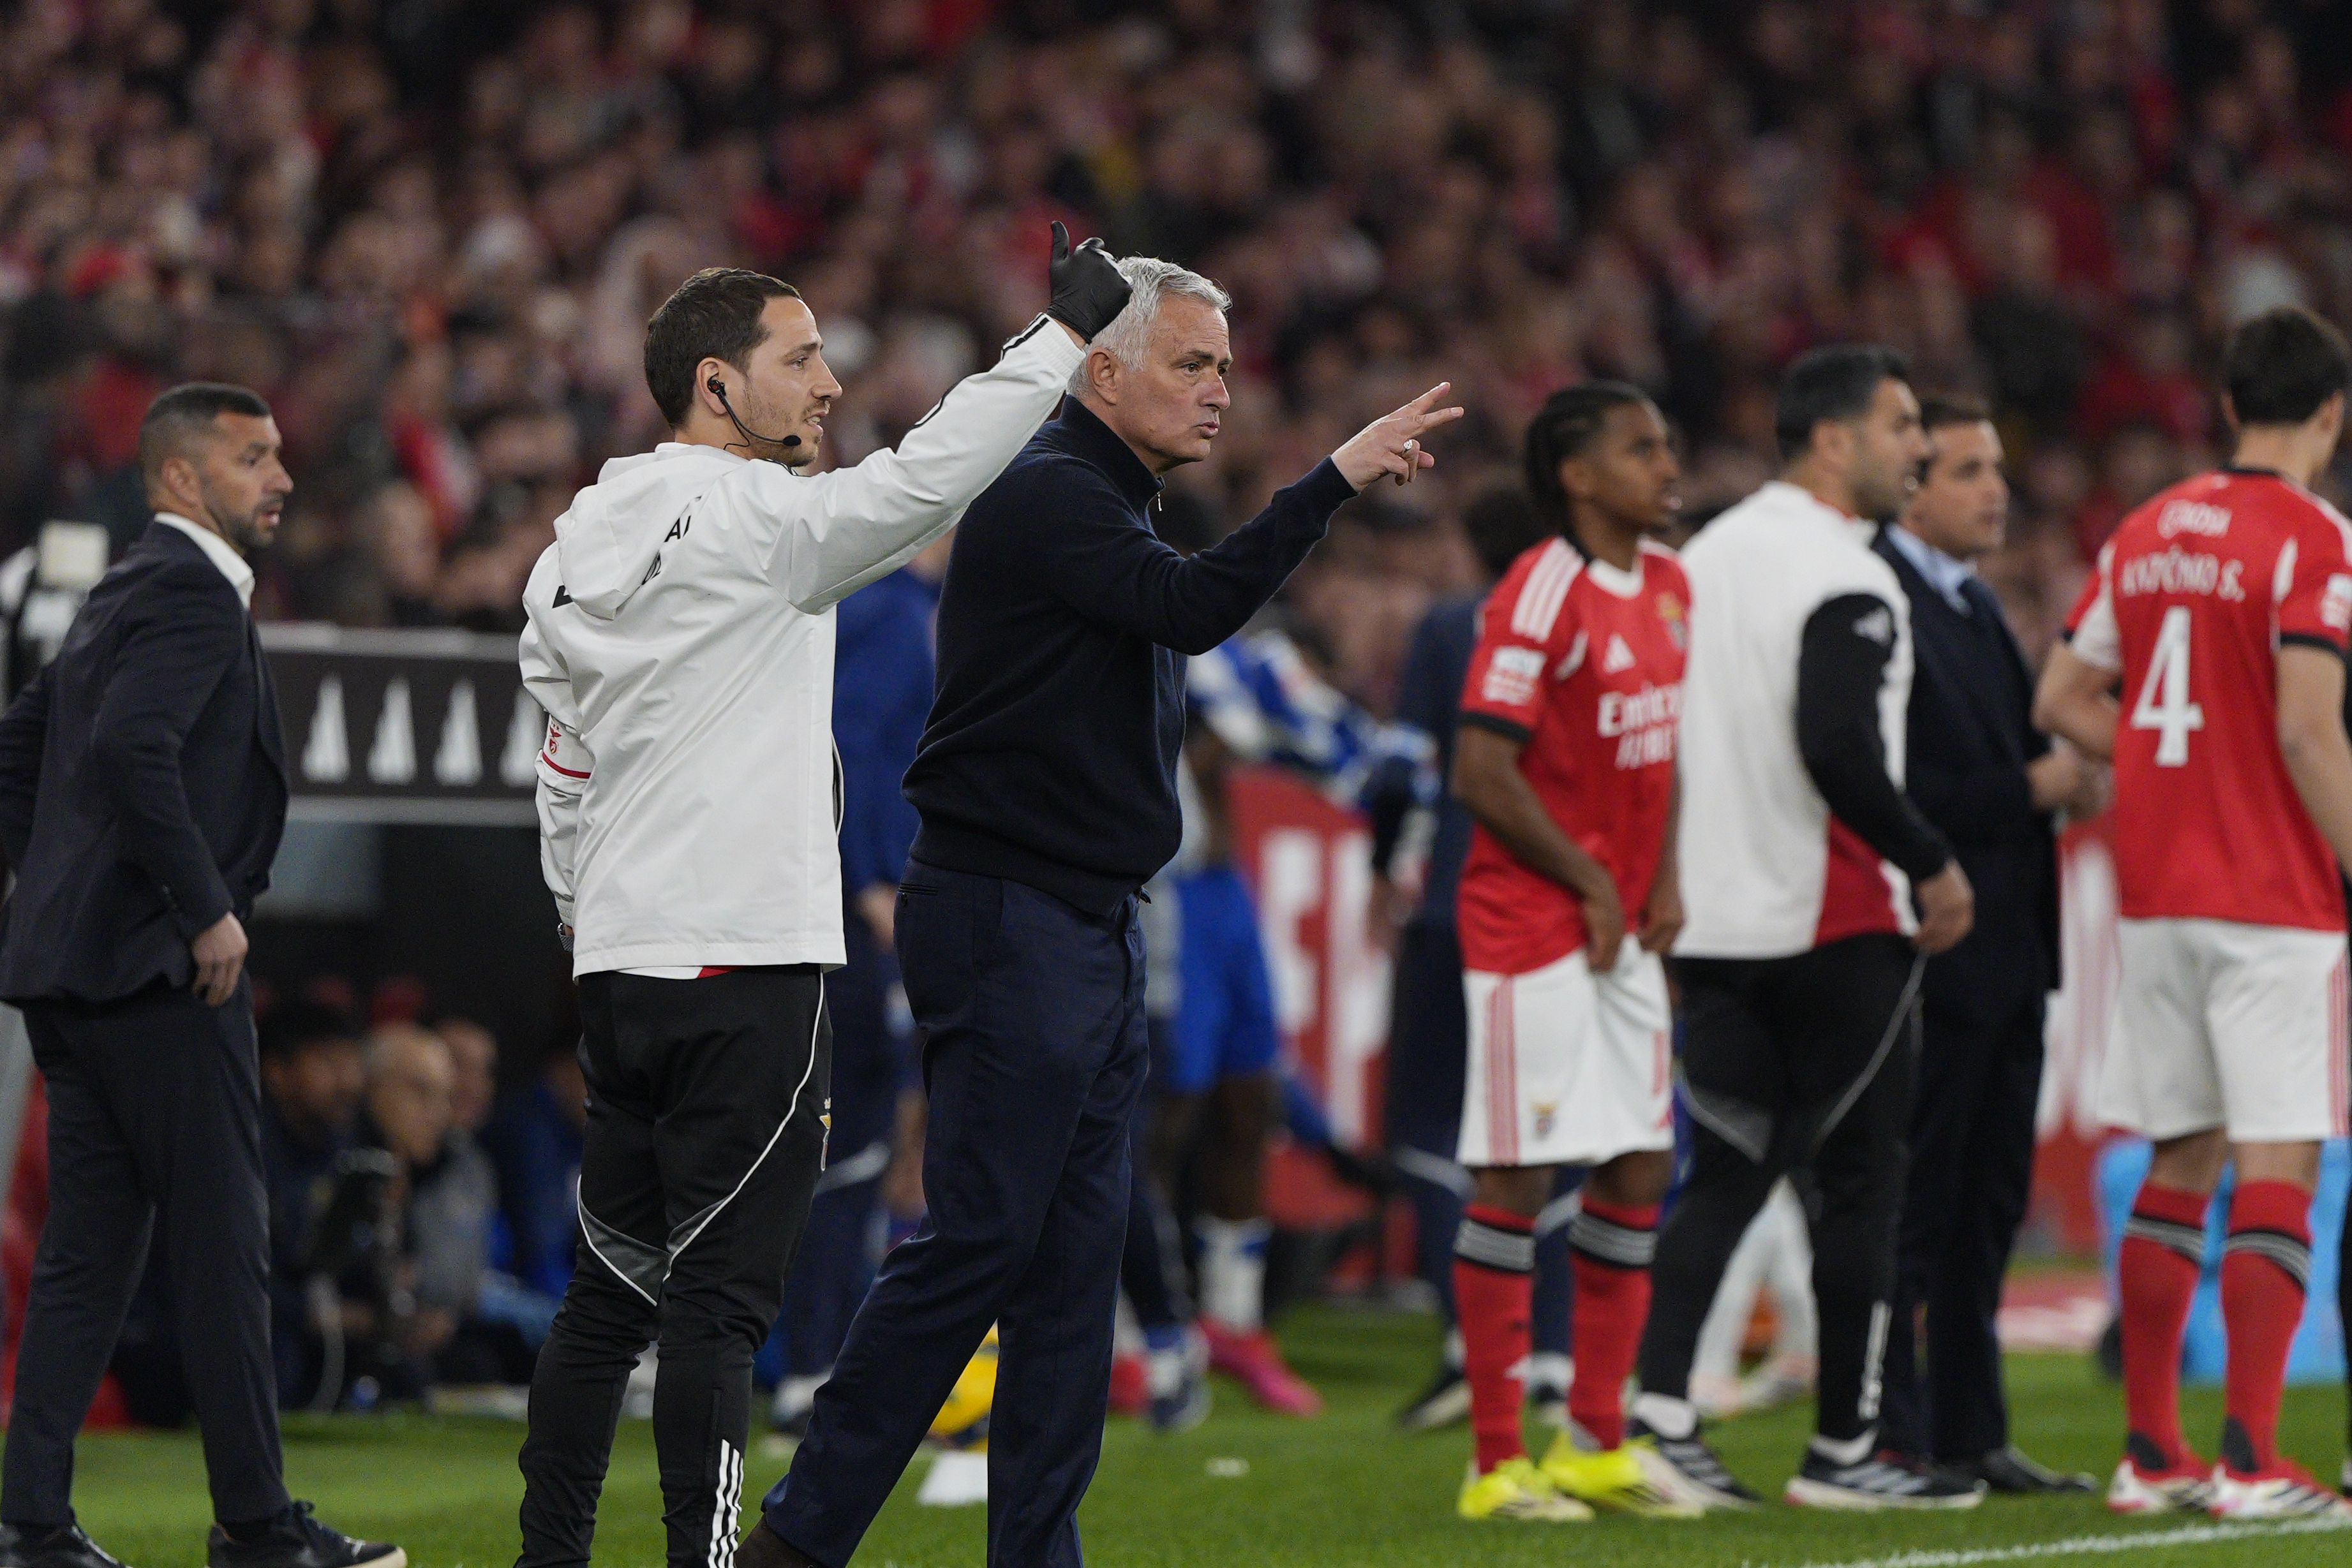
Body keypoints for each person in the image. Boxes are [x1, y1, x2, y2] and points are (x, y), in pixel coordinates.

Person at [742, 256, 1459, 1568]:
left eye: (1225, 367)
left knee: (1072, 1270)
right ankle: (796, 1539)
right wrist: (1330, 480)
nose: (1218, 390)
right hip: (1013, 916)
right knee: (979, 1242)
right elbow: (1192, 610)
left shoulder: (1104, 500)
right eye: (1191, 364)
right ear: (1102, 370)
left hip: (1084, 920)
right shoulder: (1045, 490)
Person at [512, 228, 1130, 1568]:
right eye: (799, 361)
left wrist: (581, 909)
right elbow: (922, 482)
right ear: (715, 384)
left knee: (606, 1300)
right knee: (720, 1312)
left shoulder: (572, 547)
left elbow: (563, 761)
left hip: (620, 959)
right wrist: (1061, 338)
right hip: (745, 959)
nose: (829, 385)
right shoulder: (758, 524)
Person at [0, 384, 400, 1568]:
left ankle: (29, 1522)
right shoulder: (188, 589)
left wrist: (65, 890)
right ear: (181, 477)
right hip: (163, 980)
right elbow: (132, 746)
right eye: (252, 457)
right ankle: (258, 1525)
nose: (282, 477)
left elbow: (20, 748)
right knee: (224, 1243)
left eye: (278, 454)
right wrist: (197, 907)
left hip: (74, 981)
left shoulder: (121, 586)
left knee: (87, 1259)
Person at [1630, 344, 1983, 1513]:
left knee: (1725, 1175)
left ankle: (1659, 1419)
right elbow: (1836, 742)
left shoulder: (1703, 558)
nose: (1917, 448)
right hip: (1832, 918)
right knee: (1860, 1187)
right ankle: (1844, 1449)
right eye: (1900, 426)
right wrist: (1928, 859)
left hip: (1715, 922)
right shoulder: (1844, 572)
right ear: (1834, 441)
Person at [2035, 305, 2352, 1521]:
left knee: (2179, 1155)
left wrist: (2168, 771)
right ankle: (2253, 1461)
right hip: (2269, 895)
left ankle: (2152, 1452)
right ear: (2330, 413)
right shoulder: (2316, 540)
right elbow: (2307, 733)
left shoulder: (2147, 526)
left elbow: (2062, 695)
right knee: (2279, 1156)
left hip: (2157, 893)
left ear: (2227, 405)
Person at [1442, 383, 1693, 1523]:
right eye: (1641, 449)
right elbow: (1480, 768)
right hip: (1529, 925)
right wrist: (1590, 879)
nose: (1666, 465)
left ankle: (1595, 1437)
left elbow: (1662, 749)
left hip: (1622, 924)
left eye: (1665, 444)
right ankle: (1495, 1464)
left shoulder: (1674, 585)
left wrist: (1662, 876)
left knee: (1639, 1160)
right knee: (1516, 1174)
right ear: (1577, 476)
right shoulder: (1539, 590)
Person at [1872, 396, 2101, 1493]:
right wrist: (2031, 785)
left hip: (2010, 955)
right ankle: (1890, 1430)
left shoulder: (1968, 602)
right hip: (1936, 951)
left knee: (1987, 1204)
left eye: (1995, 469)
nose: (1994, 490)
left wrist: (2051, 785)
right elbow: (1892, 785)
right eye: (1967, 470)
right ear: (1908, 485)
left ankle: (1969, 1428)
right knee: (1916, 1203)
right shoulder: (1882, 599)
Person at [1379, 488, 1554, 1433]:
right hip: (1557, 905)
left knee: (1427, 1123)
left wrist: (1383, 868)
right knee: (1552, 1128)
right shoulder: (1578, 618)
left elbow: (1406, 765)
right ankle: (1554, 1352)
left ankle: (1470, 1348)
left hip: (1457, 901)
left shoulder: (1450, 627)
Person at [769, 542, 939, 1437]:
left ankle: (802, 1357)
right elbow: (851, 743)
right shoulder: (899, 618)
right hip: (845, 900)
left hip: (817, 888)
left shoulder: (876, 607)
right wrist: (870, 871)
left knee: (836, 1122)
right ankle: (812, 1362)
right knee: (854, 1124)